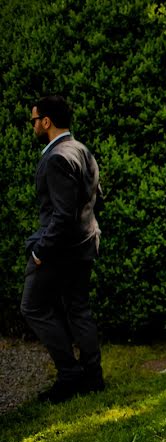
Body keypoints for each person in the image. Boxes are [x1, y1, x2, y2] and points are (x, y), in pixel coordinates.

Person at [20, 95, 104, 404]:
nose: (33, 126)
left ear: (46, 121)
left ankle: (69, 374)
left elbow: (62, 214)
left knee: (32, 307)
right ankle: (93, 377)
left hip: (60, 250)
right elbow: (97, 198)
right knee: (78, 308)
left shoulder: (57, 157)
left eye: (34, 120)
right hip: (84, 245)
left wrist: (41, 250)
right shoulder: (81, 150)